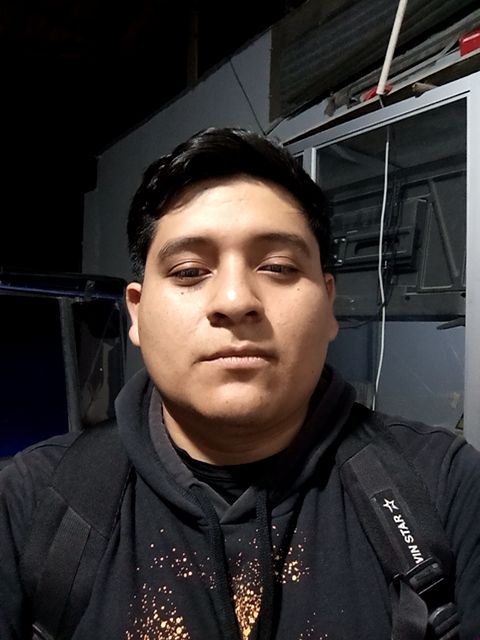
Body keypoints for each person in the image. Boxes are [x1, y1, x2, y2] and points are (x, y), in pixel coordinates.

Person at [1, 127, 479, 640]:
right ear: (136, 314)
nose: (234, 300)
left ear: (328, 304)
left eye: (277, 266)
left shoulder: (444, 486)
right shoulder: (33, 499)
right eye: (189, 271)